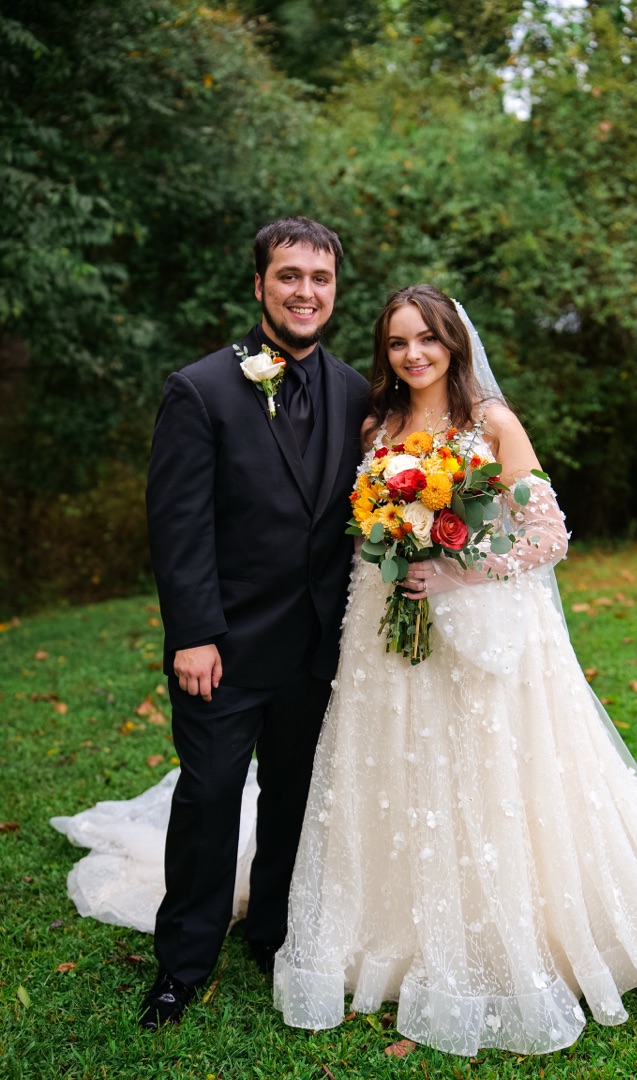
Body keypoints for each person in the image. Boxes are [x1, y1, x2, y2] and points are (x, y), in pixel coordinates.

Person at [272, 284, 637, 1055]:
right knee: (395, 769)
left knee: (482, 770)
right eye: (398, 343)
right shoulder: (377, 425)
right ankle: (391, 926)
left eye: (427, 340)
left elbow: (549, 535)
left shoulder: (491, 423)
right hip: (384, 626)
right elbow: (361, 524)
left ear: (454, 343)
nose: (413, 355)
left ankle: (503, 924)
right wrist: (389, 559)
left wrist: (458, 575)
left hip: (479, 626)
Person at [139, 216, 368, 1029]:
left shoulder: (354, 390)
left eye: (321, 279)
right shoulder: (201, 388)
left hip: (316, 646)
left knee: (296, 799)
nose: (306, 291)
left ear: (335, 290)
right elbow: (178, 523)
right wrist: (193, 633)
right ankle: (183, 963)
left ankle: (273, 935)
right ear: (261, 285)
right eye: (290, 276)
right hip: (225, 648)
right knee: (208, 798)